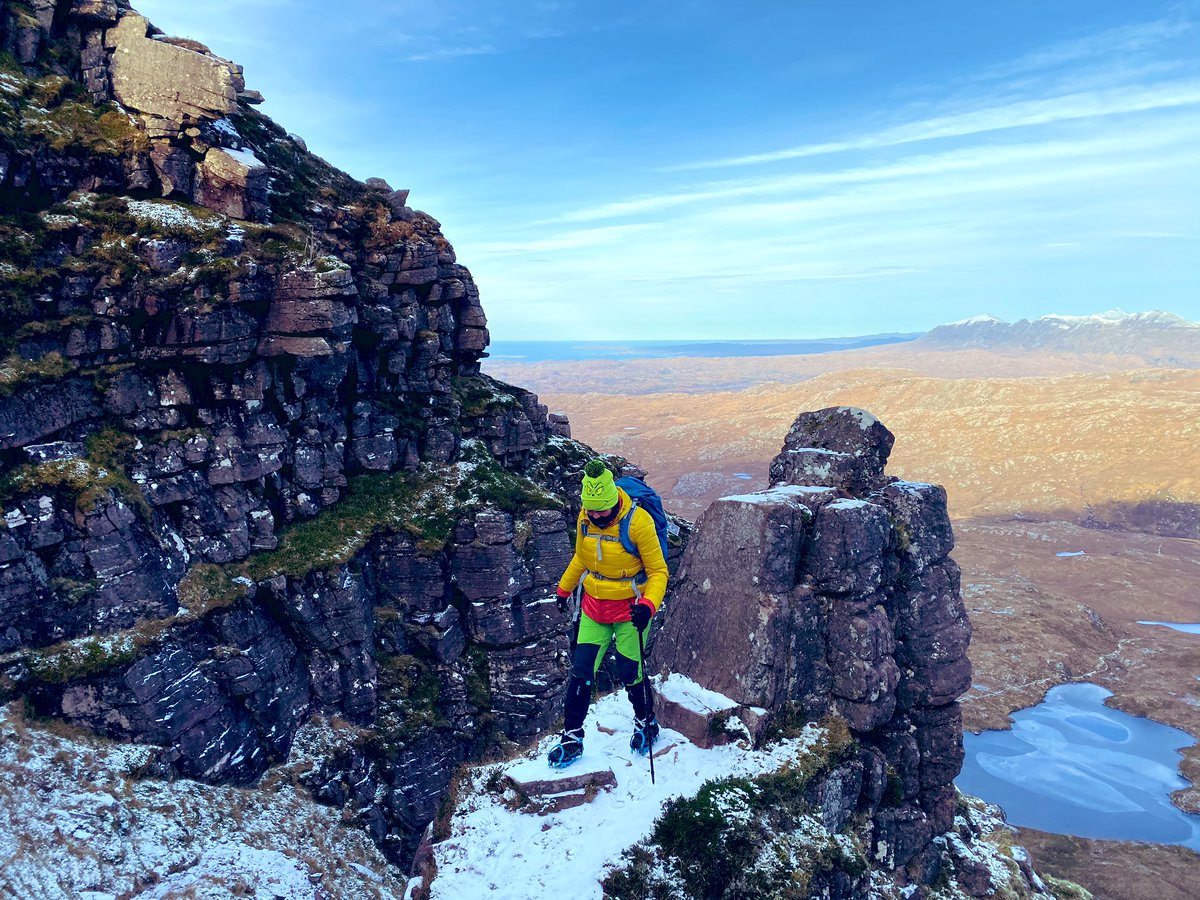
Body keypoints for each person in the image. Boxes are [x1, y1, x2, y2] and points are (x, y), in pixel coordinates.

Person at [548, 459, 669, 768]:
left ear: (615, 501)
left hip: (631, 608)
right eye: (591, 509)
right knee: (581, 672)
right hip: (593, 606)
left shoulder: (638, 523)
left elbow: (658, 572)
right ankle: (572, 738)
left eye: (601, 510)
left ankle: (646, 723)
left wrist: (648, 606)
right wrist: (564, 589)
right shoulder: (584, 519)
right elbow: (581, 557)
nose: (596, 515)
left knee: (630, 671)